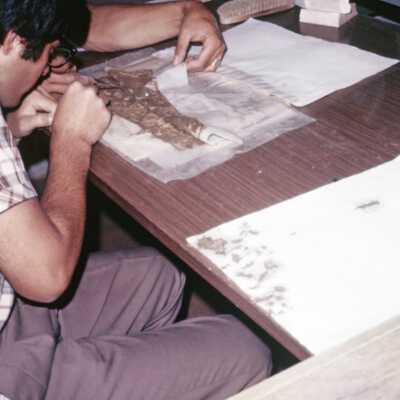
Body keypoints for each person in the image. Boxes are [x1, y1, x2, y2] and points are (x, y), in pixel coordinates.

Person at [0, 1, 273, 399]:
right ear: (13, 41)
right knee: (244, 353)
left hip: (11, 312)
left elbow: (95, 24)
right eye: (46, 54)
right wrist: (71, 141)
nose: (46, 71)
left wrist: (10, 129)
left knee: (163, 274)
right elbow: (47, 280)